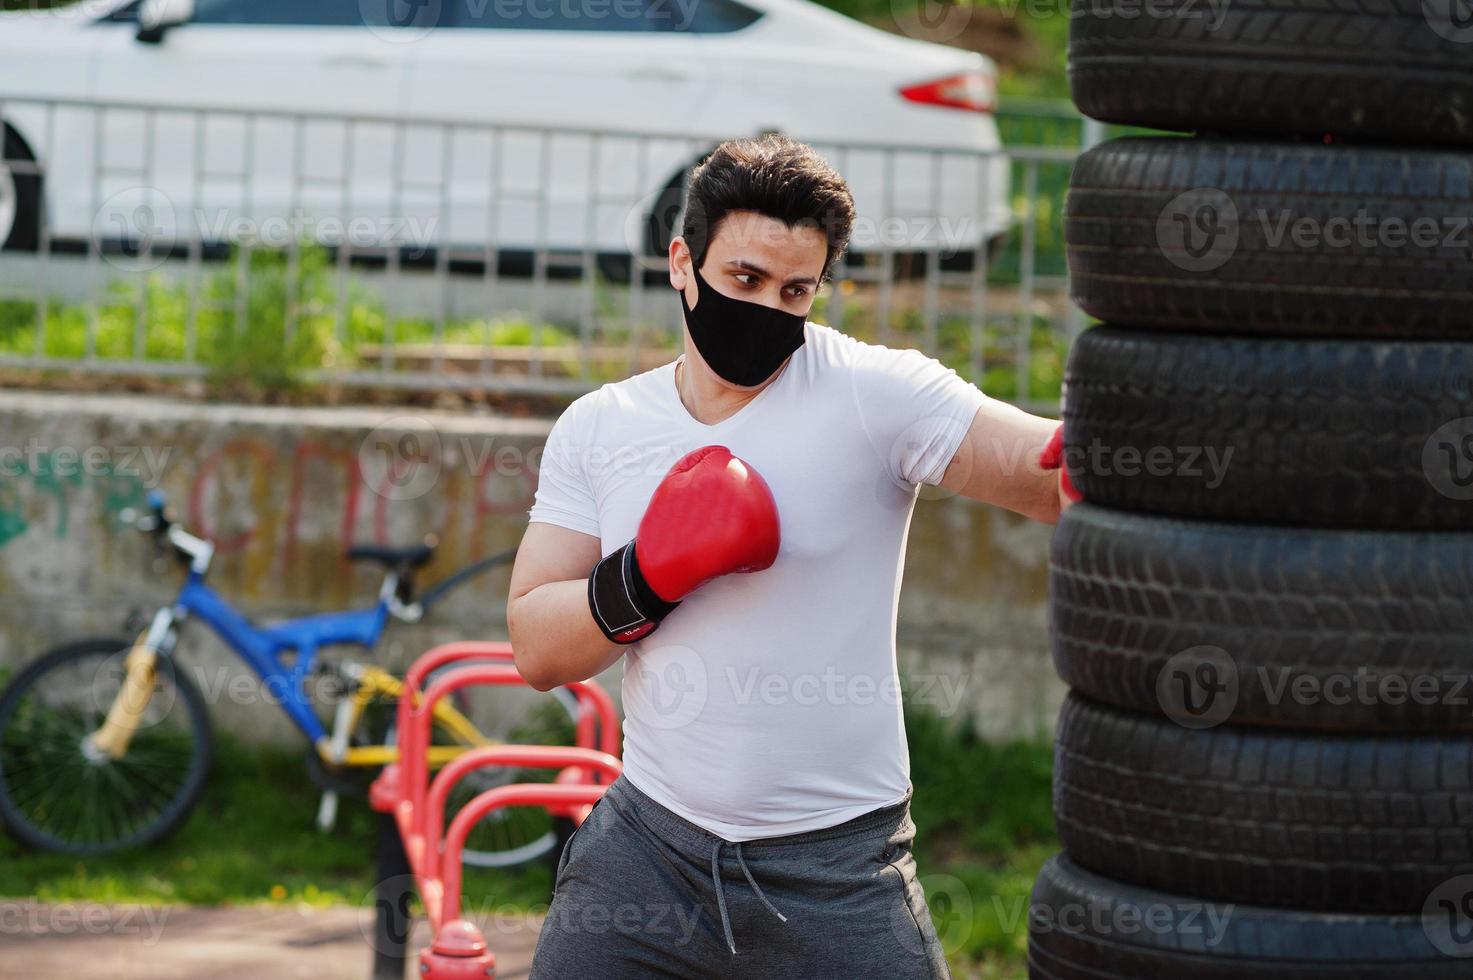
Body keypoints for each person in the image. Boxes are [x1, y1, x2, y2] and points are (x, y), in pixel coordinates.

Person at [508, 133, 1076, 979]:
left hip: (834, 873)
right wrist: (648, 574)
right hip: (649, 856)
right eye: (742, 280)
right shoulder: (601, 427)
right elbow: (536, 647)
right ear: (681, 262)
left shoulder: (874, 396)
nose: (767, 309)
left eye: (795, 290)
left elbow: (1055, 481)